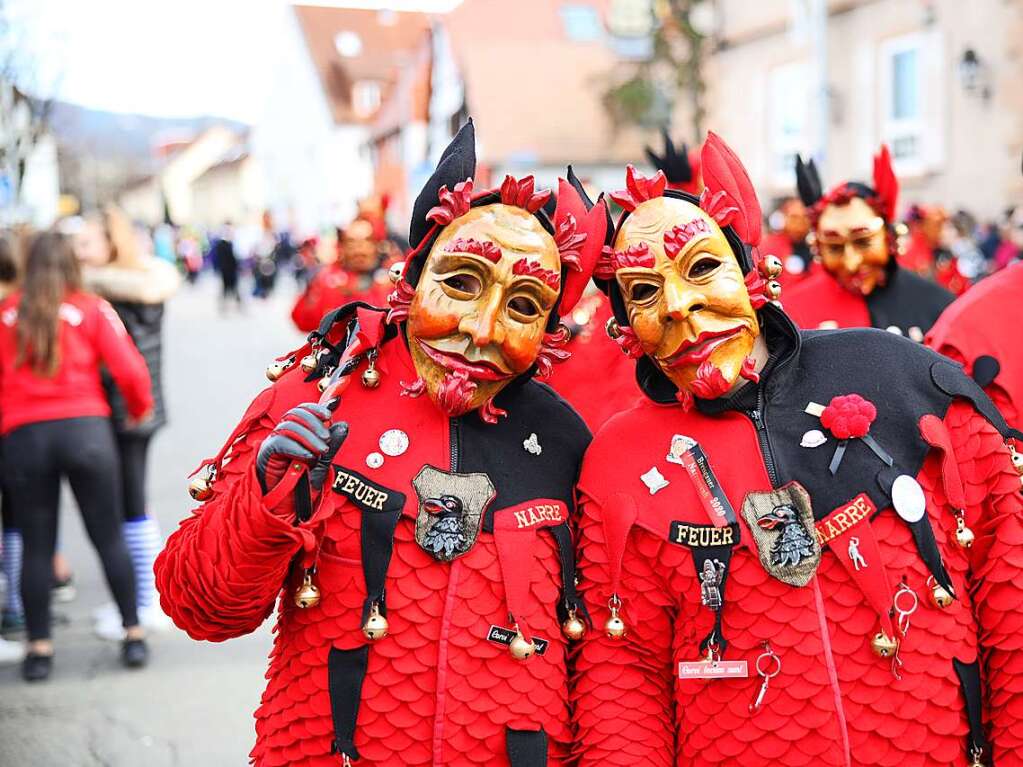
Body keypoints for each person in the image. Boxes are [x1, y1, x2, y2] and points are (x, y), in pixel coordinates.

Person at [155, 120, 606, 765]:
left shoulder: (565, 437)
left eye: (524, 305)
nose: (482, 329)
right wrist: (267, 491)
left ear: (551, 328)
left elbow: (605, 661)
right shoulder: (319, 393)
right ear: (415, 276)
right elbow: (200, 606)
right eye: (462, 283)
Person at [571, 134, 1023, 765]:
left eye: (702, 267)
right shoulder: (619, 462)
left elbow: (1009, 580)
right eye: (644, 291)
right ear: (625, 326)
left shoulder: (901, 375)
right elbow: (624, 673)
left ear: (750, 270)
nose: (679, 305)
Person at [0, 231, 154, 681]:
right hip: (86, 430)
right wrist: (138, 409)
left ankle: (40, 649)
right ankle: (132, 634)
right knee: (108, 535)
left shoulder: (7, 312)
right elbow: (130, 369)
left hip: (25, 437)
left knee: (36, 544)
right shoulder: (91, 308)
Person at [73, 205, 180, 637]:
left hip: (123, 409)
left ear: (109, 245)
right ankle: (143, 597)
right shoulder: (146, 284)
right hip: (141, 406)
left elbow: (112, 360)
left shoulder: (108, 294)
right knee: (133, 500)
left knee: (128, 503)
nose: (78, 253)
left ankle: (144, 601)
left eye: (85, 244)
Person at [783, 148, 953, 338]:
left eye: (863, 242)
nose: (851, 262)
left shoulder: (939, 305)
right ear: (818, 248)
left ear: (889, 237)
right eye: (834, 247)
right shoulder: (791, 313)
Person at [290, 216, 391, 333]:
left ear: (377, 245)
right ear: (342, 247)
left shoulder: (393, 279)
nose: (359, 250)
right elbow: (302, 321)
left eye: (366, 241)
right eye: (352, 242)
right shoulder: (328, 280)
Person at [760, 197, 813, 286]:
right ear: (784, 218)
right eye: (794, 217)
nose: (799, 223)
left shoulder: (816, 248)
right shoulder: (768, 247)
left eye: (805, 217)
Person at [211, 223, 242, 312]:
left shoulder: (232, 243)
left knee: (234, 288)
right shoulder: (221, 244)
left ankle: (237, 305)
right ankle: (224, 306)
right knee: (226, 289)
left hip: (231, 270)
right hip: (225, 270)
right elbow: (217, 258)